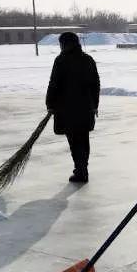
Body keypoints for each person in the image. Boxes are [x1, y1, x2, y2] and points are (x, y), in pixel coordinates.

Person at [46, 32, 100, 183]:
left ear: (64, 44)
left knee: (75, 142)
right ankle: (82, 169)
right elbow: (96, 84)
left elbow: (53, 84)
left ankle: (81, 171)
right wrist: (94, 105)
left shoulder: (61, 60)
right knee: (83, 139)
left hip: (67, 110)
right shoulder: (88, 59)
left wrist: (50, 104)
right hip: (85, 109)